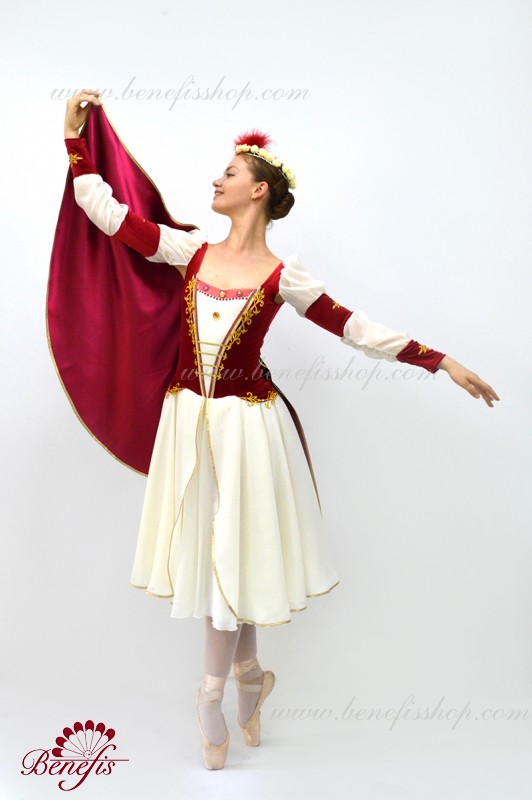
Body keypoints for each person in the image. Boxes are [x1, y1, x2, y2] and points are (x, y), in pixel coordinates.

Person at [58, 88, 500, 770]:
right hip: (191, 425)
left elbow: (355, 329)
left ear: (258, 190)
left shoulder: (282, 276)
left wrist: (439, 361)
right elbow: (107, 214)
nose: (216, 180)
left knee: (232, 556)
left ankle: (210, 696)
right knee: (223, 558)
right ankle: (250, 675)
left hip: (247, 432)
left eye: (229, 173)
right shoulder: (189, 251)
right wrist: (75, 142)